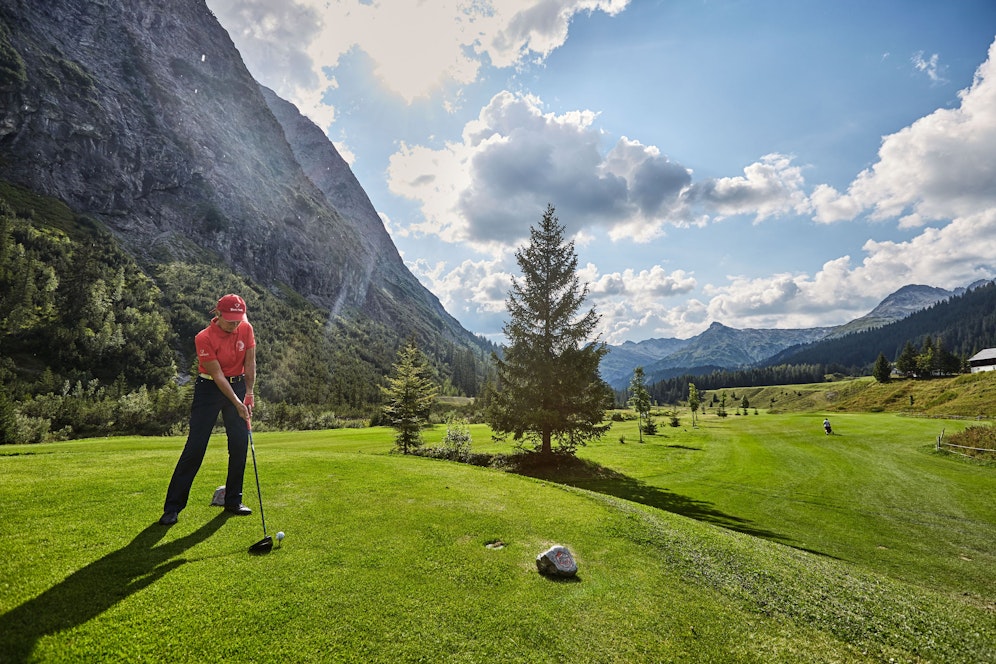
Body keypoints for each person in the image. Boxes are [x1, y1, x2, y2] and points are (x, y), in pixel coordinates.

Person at [159, 294, 256, 526]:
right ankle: (173, 507)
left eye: (238, 319)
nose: (235, 324)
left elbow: (250, 362)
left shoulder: (246, 328)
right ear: (218, 314)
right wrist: (237, 403)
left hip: (239, 384)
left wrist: (249, 393)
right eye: (230, 320)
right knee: (195, 447)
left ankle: (233, 501)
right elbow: (218, 376)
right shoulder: (204, 337)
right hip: (210, 388)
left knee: (239, 444)